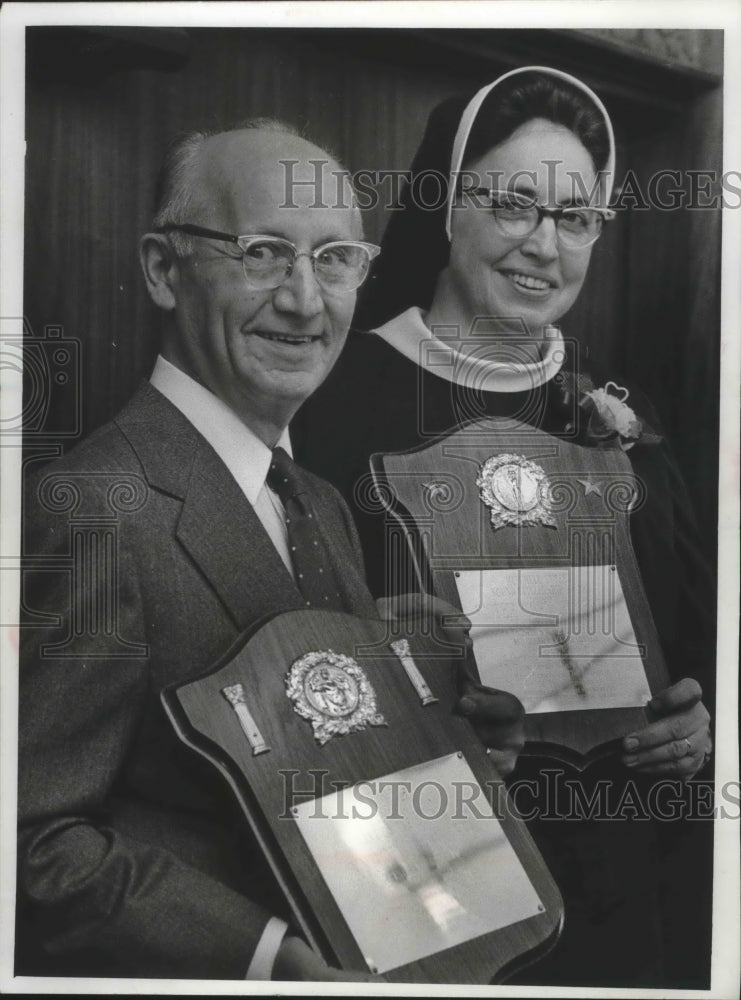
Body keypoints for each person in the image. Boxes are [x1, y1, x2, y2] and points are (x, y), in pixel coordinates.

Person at [17, 119, 521, 982]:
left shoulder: (315, 502)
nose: (303, 300)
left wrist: (447, 745)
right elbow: (30, 843)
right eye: (261, 253)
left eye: (334, 259)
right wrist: (265, 959)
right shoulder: (95, 508)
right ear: (162, 269)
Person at [294, 68, 716, 987]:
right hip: (411, 879)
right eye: (514, 204)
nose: (543, 244)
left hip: (616, 888)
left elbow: (690, 647)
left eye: (574, 218)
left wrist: (701, 726)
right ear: (449, 204)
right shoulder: (325, 408)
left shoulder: (625, 419)